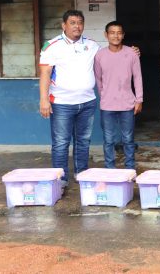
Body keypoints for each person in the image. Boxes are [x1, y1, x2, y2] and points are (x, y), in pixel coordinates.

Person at [39, 10, 100, 187]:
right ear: (63, 25)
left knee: (83, 141)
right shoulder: (52, 45)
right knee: (60, 143)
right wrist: (44, 99)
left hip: (87, 102)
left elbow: (109, 58)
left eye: (80, 22)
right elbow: (45, 73)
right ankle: (61, 178)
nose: (77, 26)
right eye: (72, 22)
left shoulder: (92, 45)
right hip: (61, 103)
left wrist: (131, 51)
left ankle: (81, 173)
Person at [93, 21, 143, 170]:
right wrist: (104, 96)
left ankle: (130, 168)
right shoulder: (100, 55)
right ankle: (110, 169)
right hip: (107, 105)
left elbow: (138, 77)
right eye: (112, 32)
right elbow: (98, 79)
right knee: (109, 140)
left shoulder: (132, 54)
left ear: (123, 35)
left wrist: (139, 99)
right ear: (106, 35)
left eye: (119, 32)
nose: (116, 35)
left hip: (127, 103)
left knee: (128, 139)